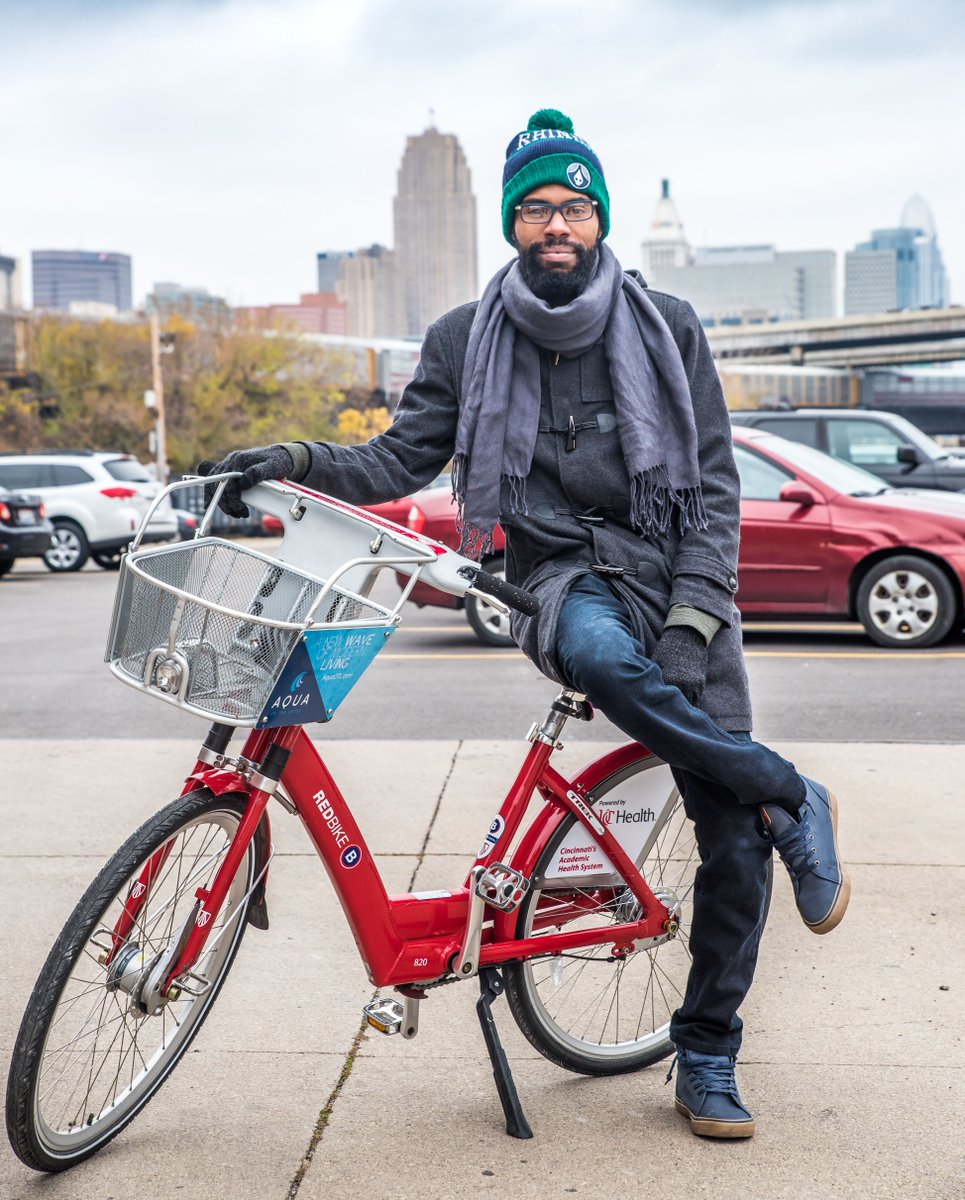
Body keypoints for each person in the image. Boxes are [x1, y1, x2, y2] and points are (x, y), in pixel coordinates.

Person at [203, 108, 850, 1140]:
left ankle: (705, 1054)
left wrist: (692, 619)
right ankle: (787, 787)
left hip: (675, 575)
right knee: (601, 658)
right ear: (510, 224)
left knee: (732, 841)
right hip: (558, 576)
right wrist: (298, 460)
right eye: (536, 209)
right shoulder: (465, 338)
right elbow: (399, 457)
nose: (556, 224)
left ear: (599, 221)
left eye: (573, 208)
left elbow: (713, 489)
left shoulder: (668, 324)